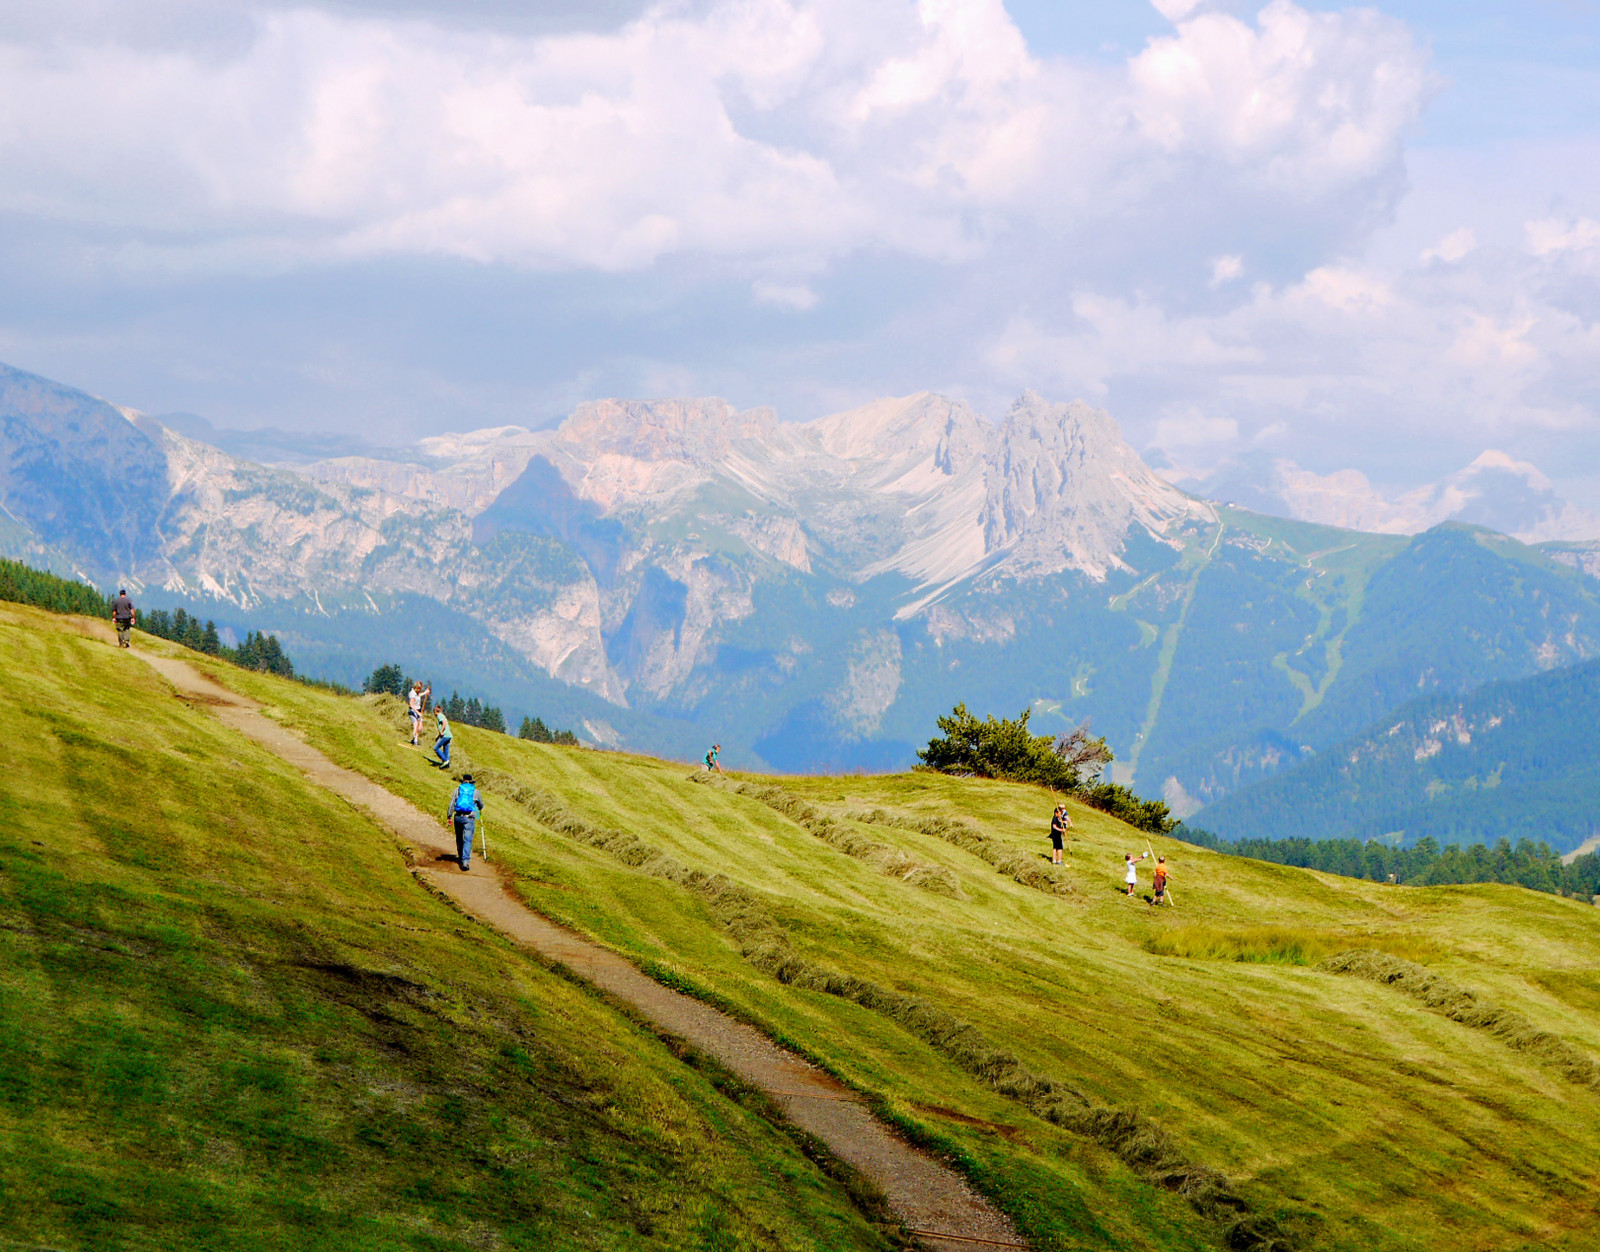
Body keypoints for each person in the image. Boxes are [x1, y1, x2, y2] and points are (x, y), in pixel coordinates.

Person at [444, 773, 484, 872]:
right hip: (469, 818)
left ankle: (460, 856)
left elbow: (452, 803)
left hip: (458, 817)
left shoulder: (457, 790)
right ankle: (465, 861)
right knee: (468, 839)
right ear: (471, 782)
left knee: (459, 838)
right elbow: (481, 805)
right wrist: (478, 806)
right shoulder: (476, 791)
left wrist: (449, 815)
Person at [408, 680, 431, 746]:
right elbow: (412, 705)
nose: (419, 690)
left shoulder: (417, 693)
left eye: (420, 689)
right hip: (413, 711)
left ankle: (415, 738)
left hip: (418, 710)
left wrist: (425, 692)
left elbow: (419, 695)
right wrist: (418, 713)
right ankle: (415, 741)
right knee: (416, 725)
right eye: (418, 688)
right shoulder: (412, 693)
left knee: (420, 727)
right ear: (416, 687)